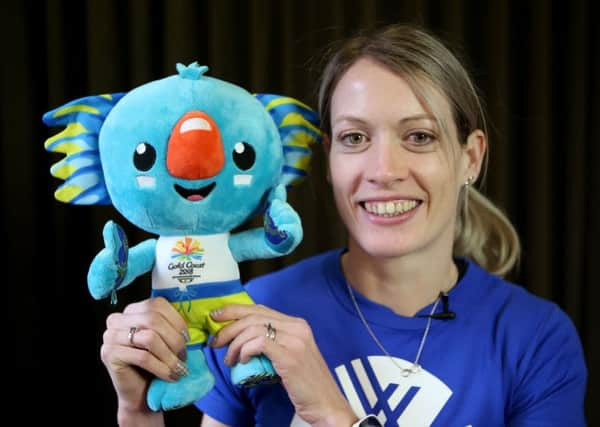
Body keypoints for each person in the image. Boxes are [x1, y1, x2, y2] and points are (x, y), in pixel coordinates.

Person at [100, 23, 587, 426]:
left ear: (471, 158)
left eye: (418, 136)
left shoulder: (535, 339)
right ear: (330, 158)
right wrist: (138, 413)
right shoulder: (251, 314)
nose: (384, 169)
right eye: (355, 137)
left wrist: (332, 415)